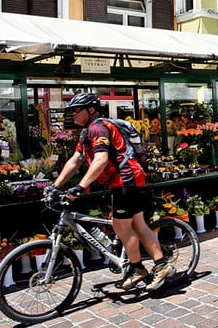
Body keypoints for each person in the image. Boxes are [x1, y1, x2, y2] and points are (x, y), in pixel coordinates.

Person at [51, 92, 174, 291]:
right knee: (138, 225)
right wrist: (55, 186)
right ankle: (158, 265)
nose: (73, 114)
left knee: (122, 227)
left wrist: (80, 187)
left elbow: (101, 159)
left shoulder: (99, 128)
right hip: (125, 181)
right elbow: (75, 160)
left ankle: (139, 269)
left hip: (126, 180)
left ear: (90, 110)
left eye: (76, 110)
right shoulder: (86, 132)